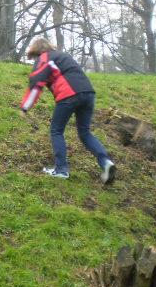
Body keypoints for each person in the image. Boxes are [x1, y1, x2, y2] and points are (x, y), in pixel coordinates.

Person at [19, 38, 116, 184]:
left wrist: (25, 108)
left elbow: (35, 84)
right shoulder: (62, 56)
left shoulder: (44, 59)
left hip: (69, 95)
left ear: (36, 51)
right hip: (88, 93)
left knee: (56, 131)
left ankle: (61, 169)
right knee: (85, 132)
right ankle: (106, 162)